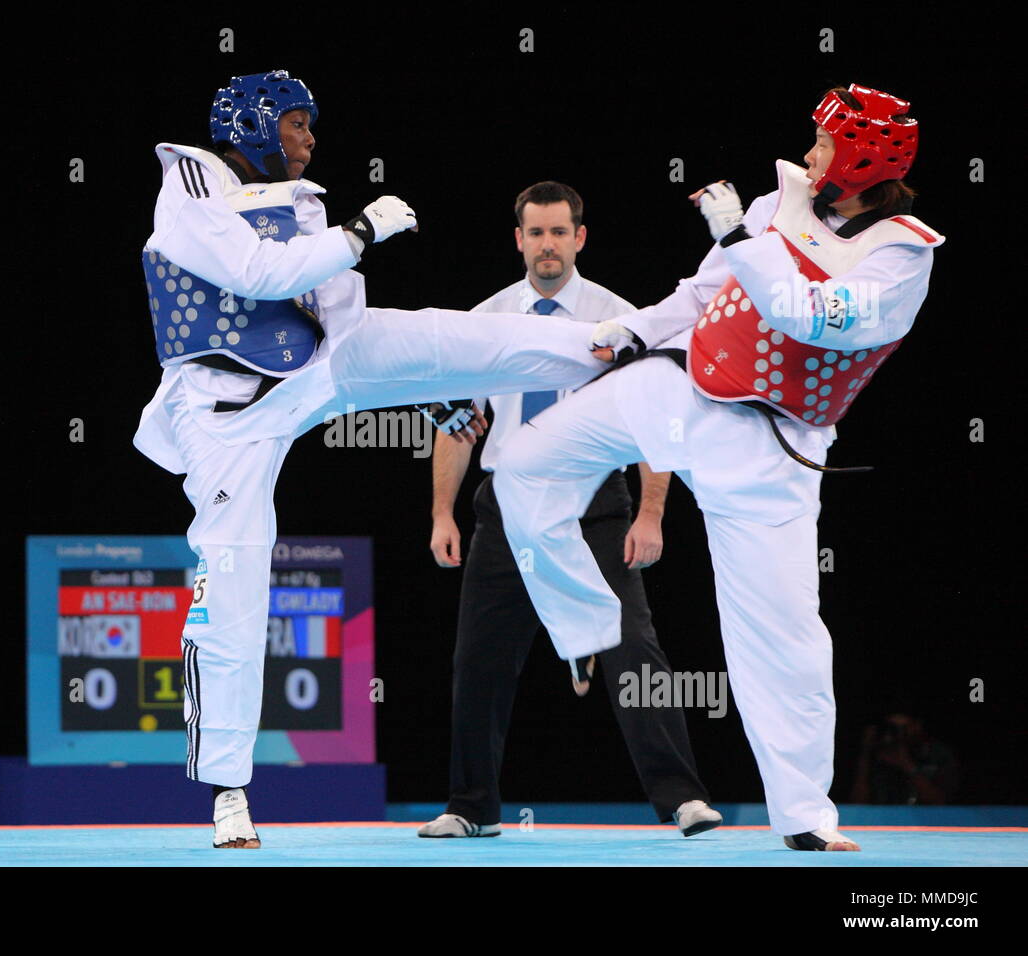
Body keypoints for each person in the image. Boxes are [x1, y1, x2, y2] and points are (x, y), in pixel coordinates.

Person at [132, 70, 610, 848]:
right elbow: (257, 274)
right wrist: (361, 230)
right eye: (295, 123)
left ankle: (620, 345)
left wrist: (427, 387)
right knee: (235, 583)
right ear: (254, 124)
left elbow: (341, 316)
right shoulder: (188, 184)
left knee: (452, 338)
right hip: (224, 416)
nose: (309, 139)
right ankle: (228, 793)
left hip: (318, 367)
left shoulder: (306, 201)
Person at [490, 84, 944, 852]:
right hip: (682, 387)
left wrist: (740, 236)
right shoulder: (778, 204)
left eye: (824, 144)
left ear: (862, 160)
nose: (809, 156)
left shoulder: (901, 253)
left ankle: (806, 818)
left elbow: (802, 312)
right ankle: (586, 626)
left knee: (782, 636)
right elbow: (701, 293)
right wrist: (631, 332)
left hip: (772, 450)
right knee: (524, 465)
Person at [418, 181, 721, 839]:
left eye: (560, 232)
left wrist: (651, 514)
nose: (548, 244)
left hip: (595, 509)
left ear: (579, 238)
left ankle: (682, 798)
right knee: (479, 659)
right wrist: (443, 512)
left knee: (636, 651)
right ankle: (471, 806)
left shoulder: (621, 317)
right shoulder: (486, 319)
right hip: (506, 509)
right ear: (519, 238)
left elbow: (655, 418)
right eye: (536, 232)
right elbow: (455, 421)